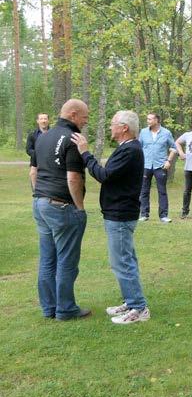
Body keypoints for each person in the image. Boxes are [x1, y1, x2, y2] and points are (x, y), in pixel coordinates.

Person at [71, 111, 150, 324]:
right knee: (126, 259)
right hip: (118, 212)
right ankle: (131, 300)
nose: (110, 127)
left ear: (124, 128)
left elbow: (104, 175)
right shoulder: (127, 148)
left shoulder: (131, 150)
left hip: (121, 214)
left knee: (122, 262)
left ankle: (139, 307)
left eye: (113, 123)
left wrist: (85, 153)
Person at [29, 99, 90, 321]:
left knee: (47, 260)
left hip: (40, 204)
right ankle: (65, 309)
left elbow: (33, 173)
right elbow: (73, 177)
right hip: (62, 206)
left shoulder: (42, 137)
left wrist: (41, 196)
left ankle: (49, 308)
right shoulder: (73, 139)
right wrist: (80, 207)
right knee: (67, 261)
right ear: (73, 115)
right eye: (84, 117)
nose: (86, 121)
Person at [138, 113, 177, 223]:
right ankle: (144, 214)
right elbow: (138, 148)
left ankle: (163, 216)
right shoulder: (143, 132)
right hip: (146, 165)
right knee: (144, 191)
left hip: (160, 166)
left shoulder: (166, 133)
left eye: (150, 119)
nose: (148, 121)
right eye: (147, 119)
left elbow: (174, 148)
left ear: (157, 120)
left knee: (162, 191)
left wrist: (168, 161)